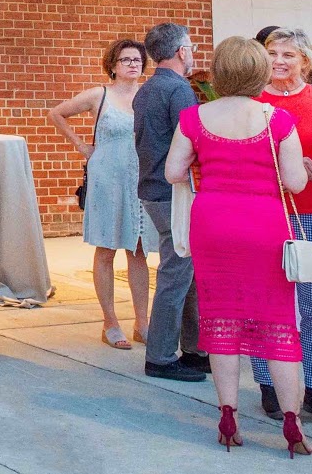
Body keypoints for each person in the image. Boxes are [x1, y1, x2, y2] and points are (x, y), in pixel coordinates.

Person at [164, 37, 312, 457]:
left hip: (213, 223)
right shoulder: (278, 119)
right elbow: (295, 183)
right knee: (278, 323)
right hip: (265, 225)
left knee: (222, 322)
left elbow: (173, 172)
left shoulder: (193, 117)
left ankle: (228, 416)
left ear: (219, 72)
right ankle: (292, 421)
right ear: (260, 72)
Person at [251, 28, 312, 425]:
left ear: (305, 61)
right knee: (266, 303)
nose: (279, 61)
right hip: (264, 213)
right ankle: (267, 384)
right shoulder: (252, 103)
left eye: (288, 54)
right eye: (272, 53)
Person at [50, 39, 156, 349]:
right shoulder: (100, 94)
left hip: (138, 176)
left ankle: (142, 322)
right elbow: (57, 114)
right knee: (107, 247)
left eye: (137, 60)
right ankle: (110, 322)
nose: (133, 64)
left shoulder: (147, 96)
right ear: (112, 65)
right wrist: (82, 146)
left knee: (138, 249)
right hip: (107, 177)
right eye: (126, 59)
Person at [132, 22, 208, 381]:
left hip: (153, 187)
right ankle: (161, 356)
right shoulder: (179, 90)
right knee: (176, 273)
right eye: (191, 47)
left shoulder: (146, 89)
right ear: (181, 51)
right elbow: (193, 143)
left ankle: (194, 349)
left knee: (187, 270)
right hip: (174, 191)